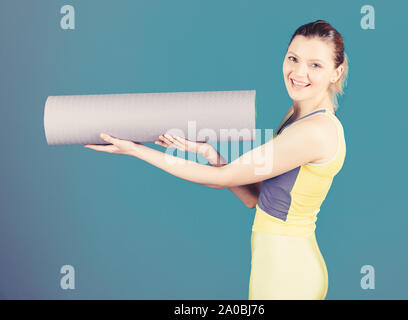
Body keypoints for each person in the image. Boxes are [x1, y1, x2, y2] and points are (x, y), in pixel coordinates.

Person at [84, 19, 348, 300]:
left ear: (336, 72)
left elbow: (221, 179)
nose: (298, 72)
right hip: (273, 264)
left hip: (290, 272)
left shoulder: (315, 131)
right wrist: (210, 153)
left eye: (315, 65)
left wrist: (137, 150)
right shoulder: (296, 118)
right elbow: (257, 200)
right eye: (293, 58)